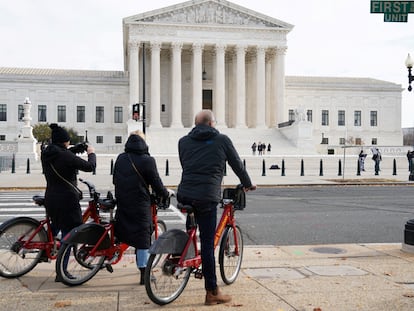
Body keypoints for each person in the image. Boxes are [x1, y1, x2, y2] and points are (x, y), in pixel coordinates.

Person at [177, 109, 256, 306]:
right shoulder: (222, 140)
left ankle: (185, 256)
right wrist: (247, 183)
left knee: (192, 230)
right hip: (206, 196)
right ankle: (212, 291)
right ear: (212, 124)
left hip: (185, 194)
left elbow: (187, 164)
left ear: (196, 124)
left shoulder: (183, 141)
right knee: (207, 244)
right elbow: (237, 165)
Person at [112, 130, 169, 285]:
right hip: (139, 203)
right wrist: (165, 194)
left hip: (123, 200)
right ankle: (144, 272)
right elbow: (156, 183)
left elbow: (114, 179)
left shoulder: (121, 157)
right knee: (143, 237)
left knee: (123, 229)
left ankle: (112, 253)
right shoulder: (147, 160)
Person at [41, 123, 96, 282]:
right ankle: (61, 272)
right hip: (67, 201)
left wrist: (77, 148)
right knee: (69, 235)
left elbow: (63, 155)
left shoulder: (47, 153)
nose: (68, 143)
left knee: (55, 225)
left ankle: (43, 250)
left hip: (51, 197)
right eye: (67, 141)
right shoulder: (65, 155)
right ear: (64, 141)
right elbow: (89, 166)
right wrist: (91, 153)